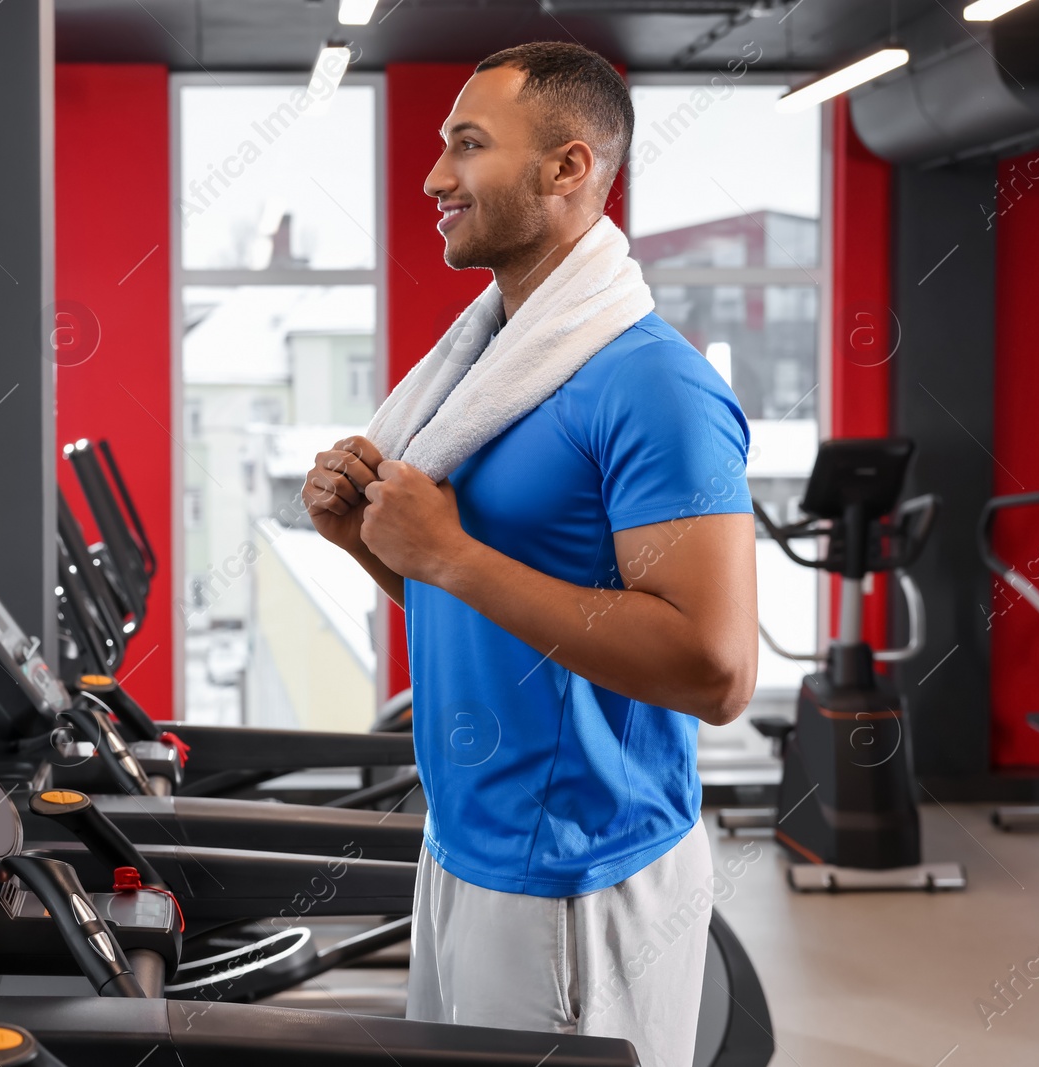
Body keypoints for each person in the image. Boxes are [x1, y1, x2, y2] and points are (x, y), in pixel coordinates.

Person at [300, 41, 757, 1067]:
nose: (434, 177)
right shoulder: (489, 371)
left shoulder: (652, 387)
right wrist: (376, 549)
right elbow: (495, 620)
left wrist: (451, 554)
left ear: (567, 167)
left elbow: (717, 670)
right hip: (466, 841)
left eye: (468, 145)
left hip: (576, 871)